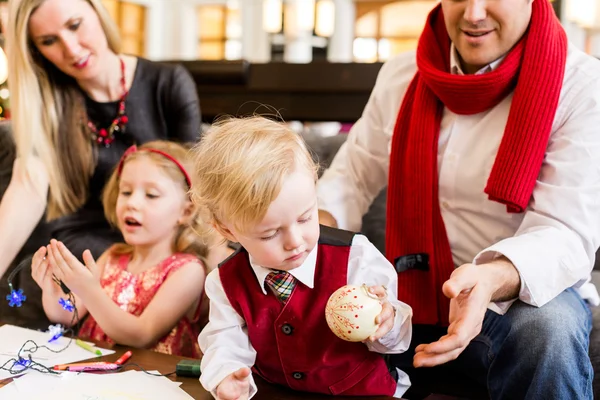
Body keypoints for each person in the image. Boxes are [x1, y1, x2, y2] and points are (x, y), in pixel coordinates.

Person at [317, 0, 600, 398]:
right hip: (411, 289)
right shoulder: (401, 75)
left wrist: (488, 278)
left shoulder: (583, 85)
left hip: (515, 295)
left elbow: (566, 232)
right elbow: (350, 178)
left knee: (548, 331)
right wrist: (299, 238)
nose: (474, 13)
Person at [0, 0, 201, 325]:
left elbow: (197, 188)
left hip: (155, 243)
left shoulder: (168, 83)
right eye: (48, 41)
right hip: (78, 245)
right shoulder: (49, 100)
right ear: (36, 51)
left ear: (98, 12)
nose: (71, 48)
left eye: (75, 25)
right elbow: (27, 188)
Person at [191, 116, 413, 399]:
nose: (295, 242)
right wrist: (226, 377)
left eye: (306, 218)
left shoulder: (356, 257)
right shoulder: (225, 282)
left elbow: (395, 342)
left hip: (363, 391)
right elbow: (224, 341)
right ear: (227, 229)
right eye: (270, 234)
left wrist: (387, 322)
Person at [30, 141, 224, 357]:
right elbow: (66, 315)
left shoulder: (188, 270)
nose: (132, 202)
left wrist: (90, 291)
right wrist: (52, 289)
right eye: (126, 191)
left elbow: (142, 335)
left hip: (155, 379)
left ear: (186, 212)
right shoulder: (112, 257)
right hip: (94, 369)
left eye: (151, 195)